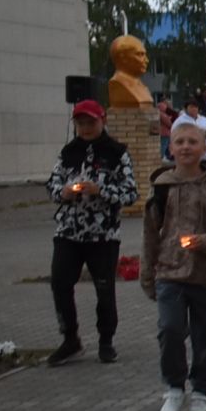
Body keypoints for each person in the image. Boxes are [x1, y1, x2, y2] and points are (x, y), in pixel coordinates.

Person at [140, 116, 206, 411]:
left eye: (192, 142)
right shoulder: (161, 188)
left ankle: (201, 389)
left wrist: (205, 242)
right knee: (169, 329)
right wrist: (148, 274)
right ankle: (173, 387)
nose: (185, 147)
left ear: (204, 148)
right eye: (179, 142)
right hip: (171, 273)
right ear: (170, 147)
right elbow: (149, 235)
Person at [44, 100, 138, 367]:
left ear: (102, 120)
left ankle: (106, 340)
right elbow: (51, 185)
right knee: (60, 283)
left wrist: (101, 191)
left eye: (91, 123)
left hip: (102, 235)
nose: (85, 128)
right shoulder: (68, 152)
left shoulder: (116, 152)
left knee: (104, 289)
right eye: (80, 123)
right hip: (68, 231)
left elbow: (131, 193)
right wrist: (63, 192)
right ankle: (70, 338)